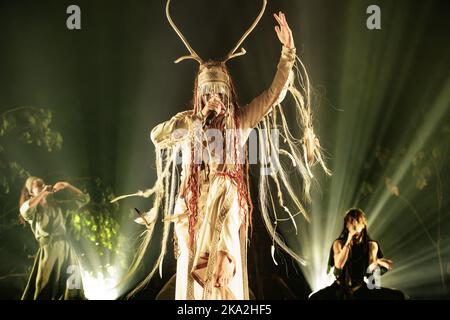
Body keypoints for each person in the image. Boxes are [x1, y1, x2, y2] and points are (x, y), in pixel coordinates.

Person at [118, 0, 330, 300]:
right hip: (191, 212)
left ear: (228, 93)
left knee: (223, 278)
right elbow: (157, 136)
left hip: (225, 211)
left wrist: (288, 54)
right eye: (208, 93)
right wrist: (195, 122)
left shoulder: (240, 122)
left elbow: (273, 95)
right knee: (191, 286)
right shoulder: (189, 124)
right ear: (199, 95)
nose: (214, 98)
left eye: (219, 92)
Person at [19, 176, 90, 300]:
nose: (42, 186)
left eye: (43, 183)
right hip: (49, 250)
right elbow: (25, 210)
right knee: (45, 287)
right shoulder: (33, 211)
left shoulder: (58, 206)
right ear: (31, 192)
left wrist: (66, 185)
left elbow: (84, 199)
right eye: (38, 185)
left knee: (73, 286)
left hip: (67, 250)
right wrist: (43, 193)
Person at [309, 208, 405, 300]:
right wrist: (348, 241)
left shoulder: (371, 245)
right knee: (314, 298)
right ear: (346, 225)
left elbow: (370, 270)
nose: (354, 224)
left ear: (363, 225)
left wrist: (378, 262)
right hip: (339, 288)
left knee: (398, 295)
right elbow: (339, 265)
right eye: (350, 221)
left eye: (357, 221)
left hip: (359, 288)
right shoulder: (339, 243)